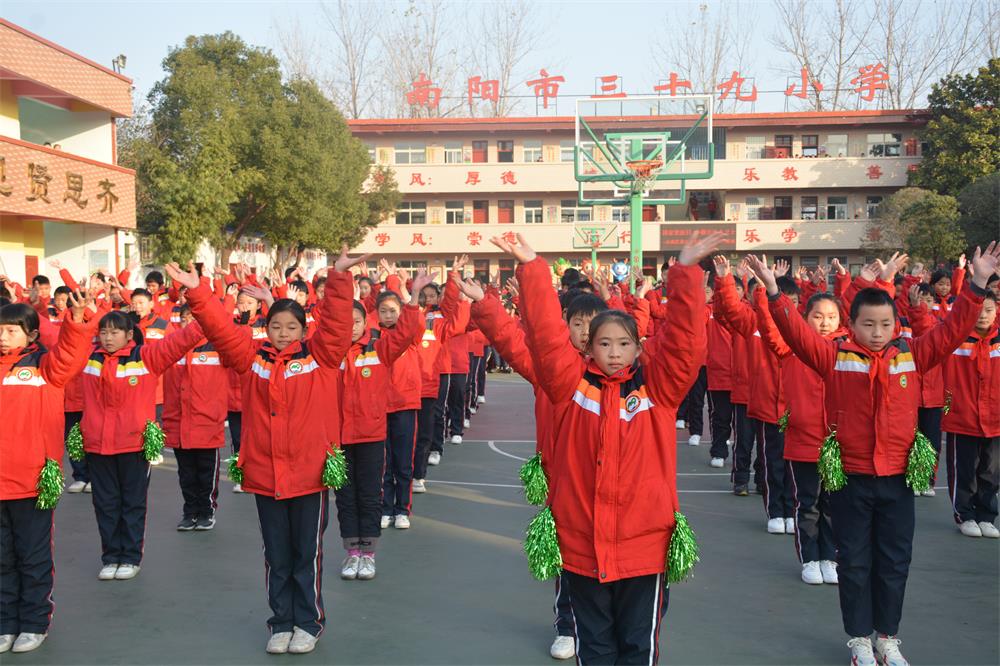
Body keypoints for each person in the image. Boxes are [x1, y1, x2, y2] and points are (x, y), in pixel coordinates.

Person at [755, 243, 999, 666]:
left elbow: (953, 330)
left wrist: (976, 283)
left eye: (885, 324)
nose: (877, 332)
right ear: (851, 325)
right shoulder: (833, 357)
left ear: (896, 325)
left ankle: (888, 637)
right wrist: (774, 293)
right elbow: (796, 333)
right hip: (850, 479)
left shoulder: (912, 354)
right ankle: (859, 639)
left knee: (894, 561)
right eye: (868, 324)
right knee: (853, 562)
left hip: (898, 480)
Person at [496, 231, 724, 664]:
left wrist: (686, 271)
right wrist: (532, 268)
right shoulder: (571, 386)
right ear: (587, 346)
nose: (614, 353)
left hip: (645, 548)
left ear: (639, 348)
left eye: (623, 344)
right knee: (596, 646)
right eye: (604, 343)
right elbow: (545, 337)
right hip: (582, 545)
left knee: (638, 647)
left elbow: (685, 343)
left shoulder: (659, 391)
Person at [167, 248, 362, 655]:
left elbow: (338, 325)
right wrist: (198, 293)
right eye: (276, 326)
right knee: (276, 554)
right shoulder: (252, 358)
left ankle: (308, 623)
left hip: (309, 475)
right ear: (266, 328)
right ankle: (281, 623)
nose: (283, 333)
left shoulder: (321, 357)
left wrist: (339, 277)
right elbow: (221, 331)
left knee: (306, 553)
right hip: (265, 474)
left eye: (292, 327)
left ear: (304, 330)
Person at [460, 277, 612, 662]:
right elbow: (511, 341)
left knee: (606, 558)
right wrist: (486, 304)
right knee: (568, 558)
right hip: (563, 485)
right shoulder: (548, 370)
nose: (584, 332)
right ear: (564, 325)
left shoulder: (619, 377)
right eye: (577, 323)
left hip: (608, 485)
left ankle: (603, 624)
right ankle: (567, 626)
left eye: (592, 324)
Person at [0, 293, 96, 654]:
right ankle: (5, 623)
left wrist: (76, 318)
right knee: (2, 557)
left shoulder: (47, 367)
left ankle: (34, 622)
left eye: (11, 330)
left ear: (31, 334)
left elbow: (71, 351)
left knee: (32, 556)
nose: (3, 337)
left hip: (32, 481)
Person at [80, 310, 204, 582]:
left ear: (129, 334)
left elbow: (180, 341)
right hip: (98, 446)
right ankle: (111, 557)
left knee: (132, 504)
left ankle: (130, 557)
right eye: (103, 332)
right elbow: (65, 344)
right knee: (105, 504)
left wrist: (204, 317)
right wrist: (80, 316)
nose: (108, 338)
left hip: (133, 446)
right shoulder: (89, 358)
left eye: (114, 332)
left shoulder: (146, 357)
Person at [162, 303, 229, 531]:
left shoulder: (217, 347)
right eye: (185, 319)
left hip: (207, 423)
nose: (189, 323)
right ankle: (190, 511)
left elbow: (237, 341)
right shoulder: (172, 347)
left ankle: (206, 511)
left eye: (195, 319)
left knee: (206, 472)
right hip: (178, 423)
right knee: (186, 473)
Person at [939, 291, 999, 538]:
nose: (983, 315)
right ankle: (965, 515)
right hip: (961, 417)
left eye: (989, 310)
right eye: (978, 310)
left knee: (991, 472)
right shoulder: (955, 339)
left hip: (995, 420)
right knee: (964, 471)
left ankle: (987, 516)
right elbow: (929, 331)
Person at [375, 285, 425, 530]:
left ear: (401, 312)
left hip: (405, 404)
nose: (388, 315)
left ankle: (402, 509)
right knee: (384, 462)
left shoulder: (410, 336)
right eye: (383, 311)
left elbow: (417, 323)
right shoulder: (372, 339)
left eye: (393, 311)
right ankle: (385, 508)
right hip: (379, 406)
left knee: (404, 461)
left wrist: (412, 297)